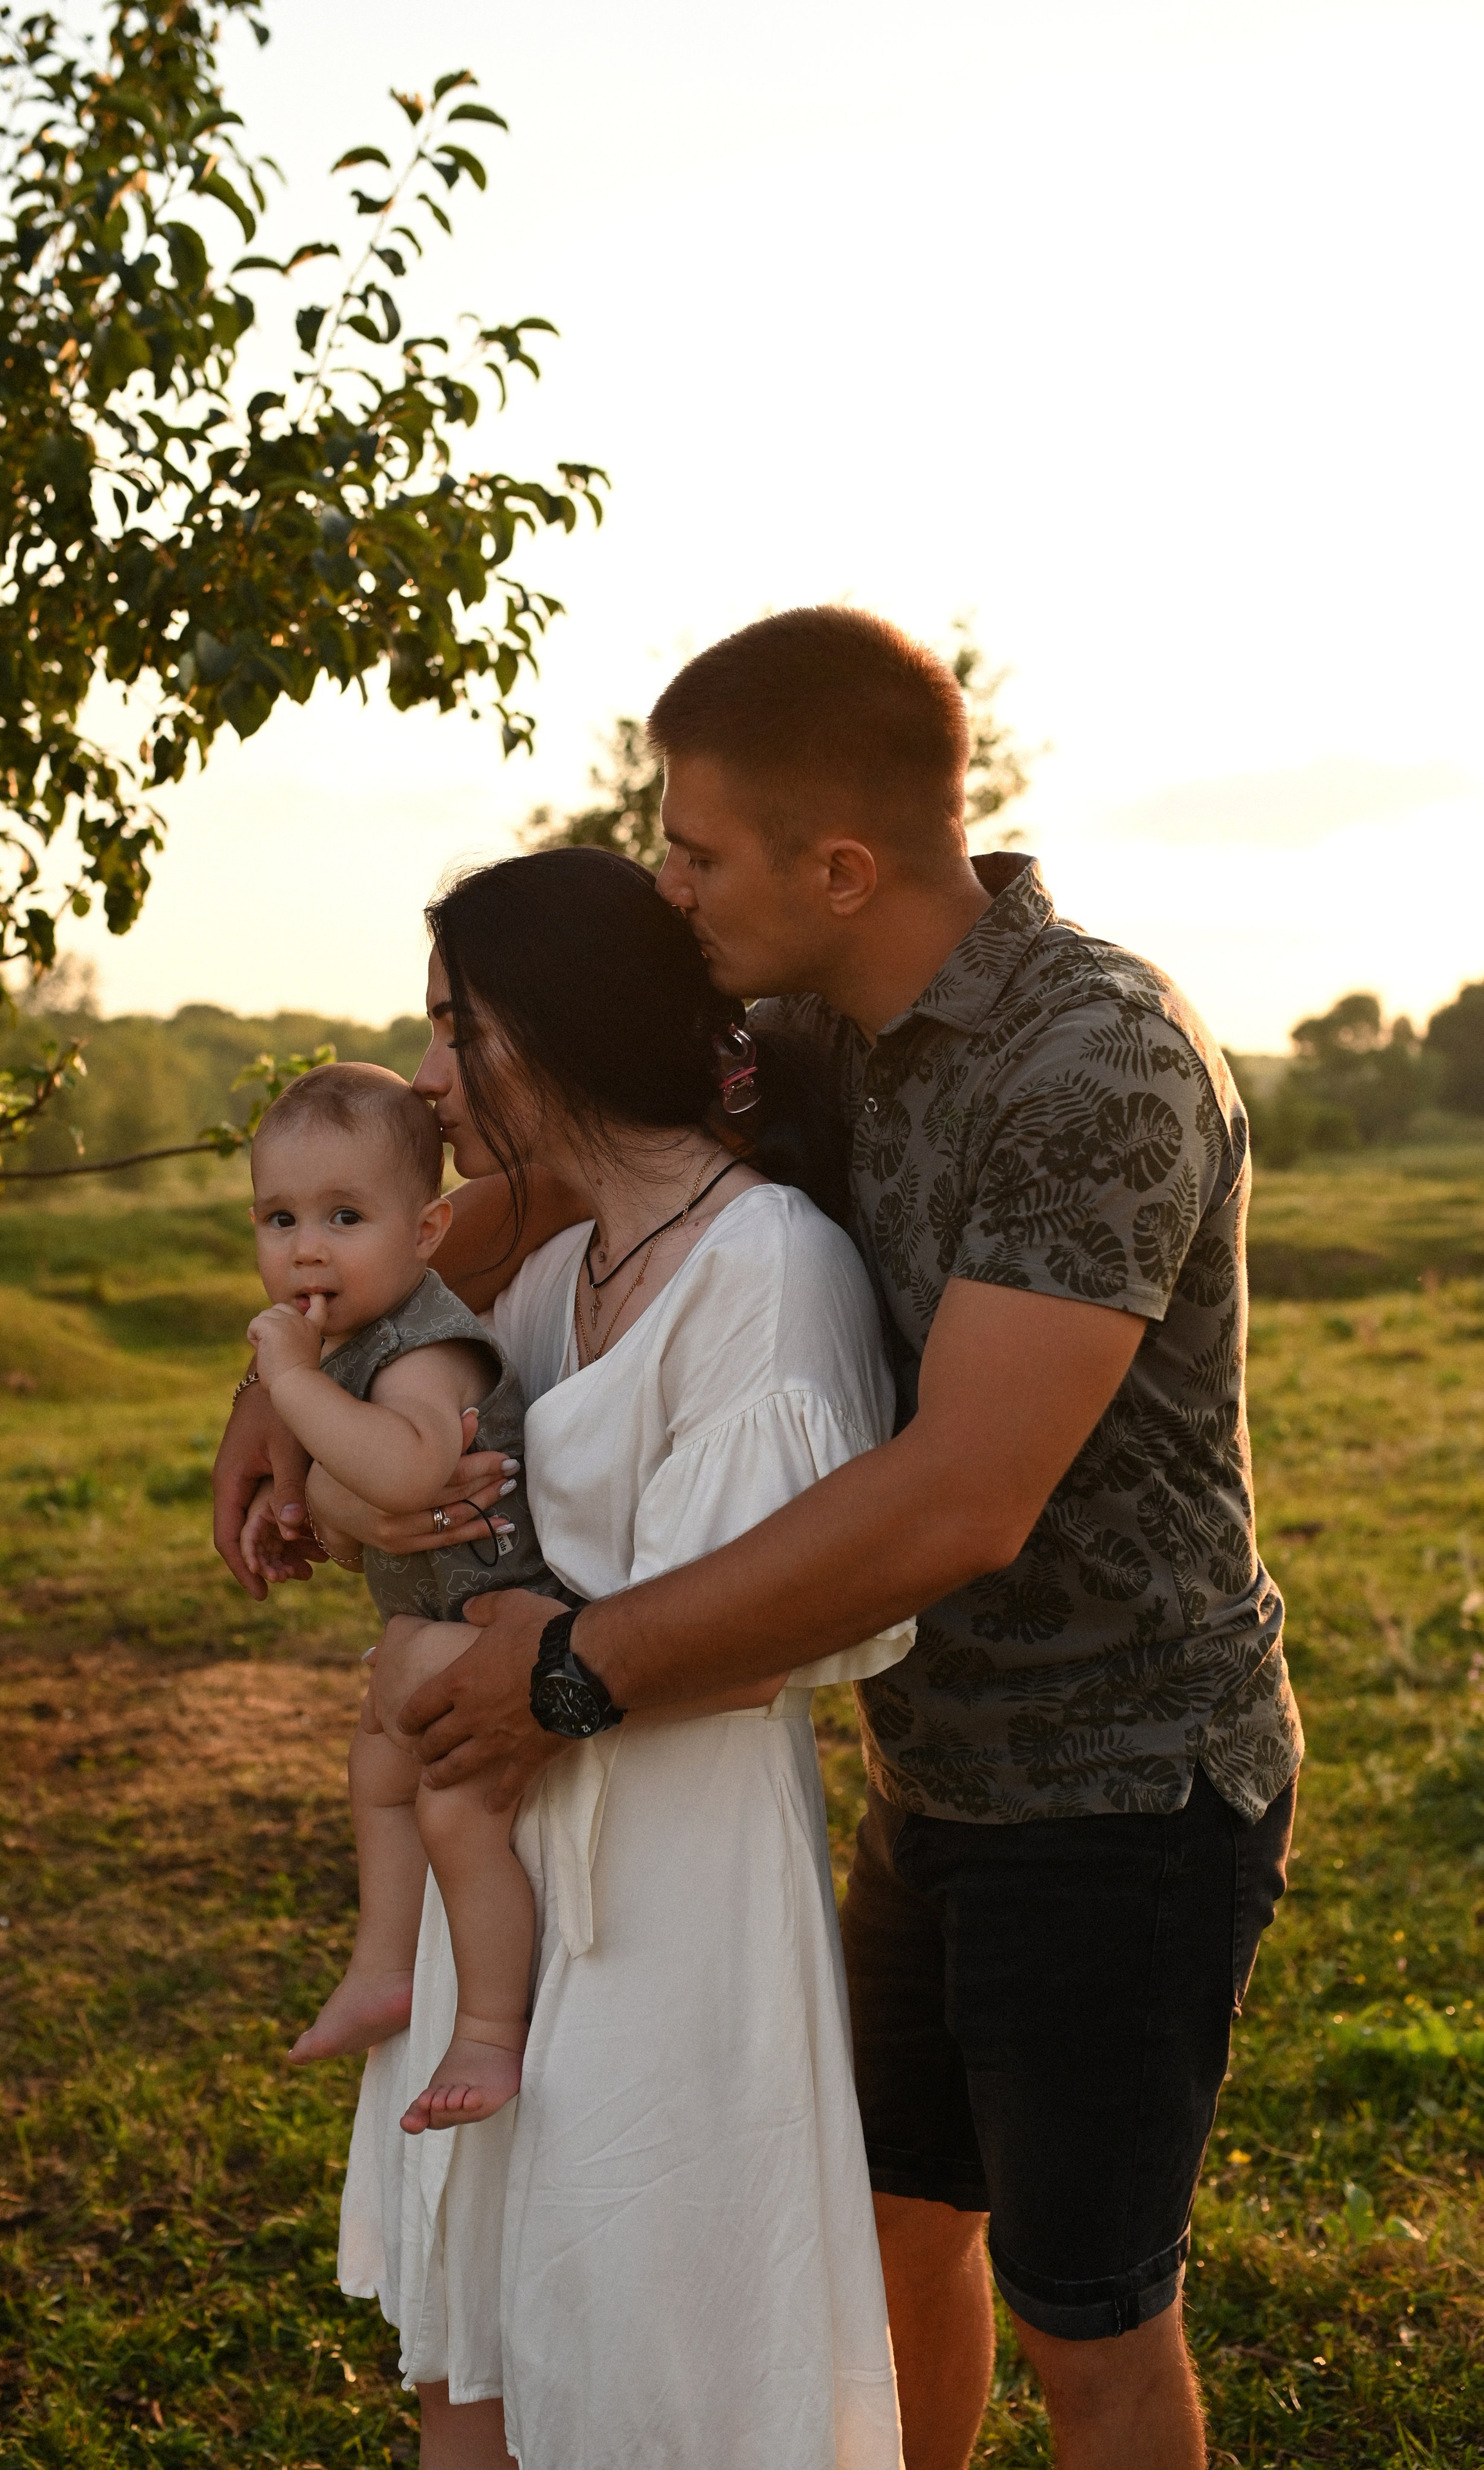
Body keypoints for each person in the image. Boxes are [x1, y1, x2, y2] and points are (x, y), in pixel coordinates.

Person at [217, 607, 1303, 2470]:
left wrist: (572, 1666)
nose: (667, 885)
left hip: (1122, 1781)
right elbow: (546, 1170)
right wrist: (278, 1385)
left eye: (697, 853)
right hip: (930, 1770)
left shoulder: (1093, 1063)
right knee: (894, 2225)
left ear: (841, 868)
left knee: (1090, 2310)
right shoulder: (812, 1038)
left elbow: (961, 1494)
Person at [236, 1060, 564, 2120]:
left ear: (425, 1233)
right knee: (375, 1773)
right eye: (280, 1219)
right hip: (437, 1620)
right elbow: (350, 1497)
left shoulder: (427, 1345)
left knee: (454, 1814)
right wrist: (294, 1504)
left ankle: (489, 2032)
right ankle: (384, 1968)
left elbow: (412, 1470)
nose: (308, 1248)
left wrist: (288, 1383)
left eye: (345, 1217)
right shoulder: (352, 1342)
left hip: (504, 1627)